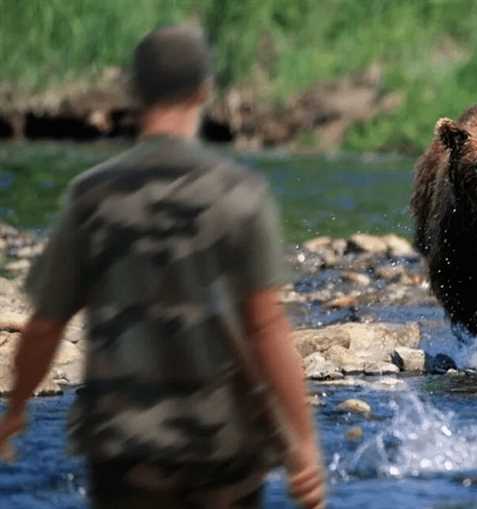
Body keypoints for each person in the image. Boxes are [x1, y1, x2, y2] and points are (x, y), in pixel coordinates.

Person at [0, 25, 326, 508]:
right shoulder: (240, 192)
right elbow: (267, 326)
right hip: (225, 450)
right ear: (203, 92)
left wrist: (17, 409)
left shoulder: (92, 195)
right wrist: (302, 444)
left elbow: (47, 324)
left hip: (126, 453)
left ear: (135, 93)